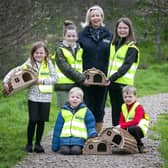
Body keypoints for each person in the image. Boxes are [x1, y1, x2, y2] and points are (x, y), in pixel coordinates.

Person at [3, 41, 58, 153]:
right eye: (36, 53)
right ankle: (29, 144)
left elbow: (55, 78)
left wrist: (41, 81)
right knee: (33, 120)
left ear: (46, 53)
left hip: (46, 97)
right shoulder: (29, 63)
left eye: (41, 53)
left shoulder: (49, 64)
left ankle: (38, 144)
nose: (39, 55)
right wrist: (5, 81)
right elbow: (16, 70)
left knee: (41, 121)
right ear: (33, 54)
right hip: (33, 96)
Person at [78, 5, 113, 133]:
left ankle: (97, 134)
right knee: (88, 106)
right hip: (86, 79)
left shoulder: (109, 35)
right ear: (89, 18)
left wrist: (110, 76)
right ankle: (87, 132)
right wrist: (80, 77)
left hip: (103, 79)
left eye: (98, 15)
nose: (95, 18)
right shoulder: (82, 35)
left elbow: (113, 57)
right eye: (93, 16)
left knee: (100, 107)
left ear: (102, 17)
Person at [107, 17, 140, 126]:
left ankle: (131, 139)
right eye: (120, 27)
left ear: (130, 30)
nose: (122, 30)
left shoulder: (132, 48)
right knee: (115, 111)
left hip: (124, 85)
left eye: (125, 28)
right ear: (116, 29)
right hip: (112, 84)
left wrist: (111, 78)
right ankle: (116, 137)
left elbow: (125, 67)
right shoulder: (113, 44)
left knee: (126, 113)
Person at [52, 87, 97, 155]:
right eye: (72, 97)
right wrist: (55, 146)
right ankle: (65, 147)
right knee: (65, 151)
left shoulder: (85, 111)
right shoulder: (63, 111)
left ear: (81, 100)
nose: (75, 99)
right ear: (69, 98)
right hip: (65, 139)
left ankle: (78, 148)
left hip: (79, 140)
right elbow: (58, 128)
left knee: (76, 151)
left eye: (77, 97)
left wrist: (92, 133)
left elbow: (90, 124)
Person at [51, 20, 86, 108]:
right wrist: (82, 79)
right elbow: (66, 68)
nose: (71, 38)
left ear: (77, 37)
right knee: (65, 112)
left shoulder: (79, 49)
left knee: (78, 113)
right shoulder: (59, 49)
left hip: (76, 85)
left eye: (73, 36)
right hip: (64, 86)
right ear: (64, 37)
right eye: (69, 36)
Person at [116, 85, 150, 153]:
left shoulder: (138, 107)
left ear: (135, 97)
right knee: (116, 130)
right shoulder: (123, 106)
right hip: (129, 126)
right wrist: (119, 128)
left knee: (132, 128)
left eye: (130, 97)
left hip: (140, 128)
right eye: (125, 97)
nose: (127, 99)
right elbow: (121, 121)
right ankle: (125, 144)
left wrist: (122, 126)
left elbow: (136, 121)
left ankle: (140, 145)